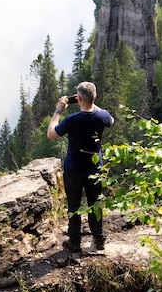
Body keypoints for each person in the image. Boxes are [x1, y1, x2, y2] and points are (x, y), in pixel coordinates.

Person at [47, 81, 114, 252]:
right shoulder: (103, 116)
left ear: (78, 98)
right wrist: (89, 101)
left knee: (74, 205)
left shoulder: (71, 120)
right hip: (95, 169)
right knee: (95, 204)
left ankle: (75, 243)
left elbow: (51, 134)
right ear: (95, 97)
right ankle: (99, 240)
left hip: (74, 169)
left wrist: (58, 111)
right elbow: (110, 119)